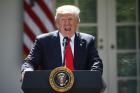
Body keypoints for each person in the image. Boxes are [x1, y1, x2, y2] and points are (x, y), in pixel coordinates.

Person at [21, 5, 103, 80]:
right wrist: (27, 70)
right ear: (57, 23)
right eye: (63, 20)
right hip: (51, 86)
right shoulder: (43, 41)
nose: (67, 23)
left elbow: (96, 62)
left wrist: (94, 76)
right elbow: (30, 62)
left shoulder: (88, 40)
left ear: (77, 22)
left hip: (80, 86)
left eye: (70, 19)